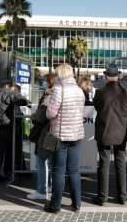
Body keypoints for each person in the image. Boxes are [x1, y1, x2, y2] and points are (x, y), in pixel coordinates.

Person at [43, 64, 85, 213]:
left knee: (58, 171)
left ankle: (55, 206)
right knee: (74, 170)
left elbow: (50, 113)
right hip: (77, 135)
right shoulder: (80, 90)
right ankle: (77, 203)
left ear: (60, 75)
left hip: (60, 136)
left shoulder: (59, 90)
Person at [93, 63, 127, 206]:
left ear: (106, 77)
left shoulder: (100, 92)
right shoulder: (125, 92)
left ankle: (103, 197)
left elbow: (97, 107)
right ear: (118, 76)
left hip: (105, 130)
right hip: (121, 131)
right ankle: (122, 196)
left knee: (104, 163)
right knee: (121, 163)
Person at [0, 80, 28, 183]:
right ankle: (8, 172)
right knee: (9, 150)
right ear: (9, 86)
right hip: (5, 125)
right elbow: (23, 101)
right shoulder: (7, 93)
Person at [27, 73, 56, 200]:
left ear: (50, 82)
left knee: (42, 160)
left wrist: (33, 117)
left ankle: (42, 190)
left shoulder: (50, 95)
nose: (44, 82)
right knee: (54, 162)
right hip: (57, 132)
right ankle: (50, 187)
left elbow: (40, 116)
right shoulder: (62, 94)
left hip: (46, 132)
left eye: (45, 80)